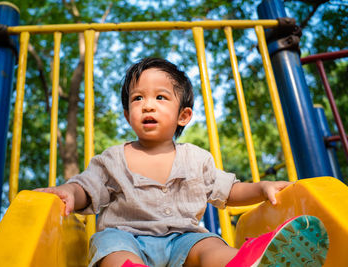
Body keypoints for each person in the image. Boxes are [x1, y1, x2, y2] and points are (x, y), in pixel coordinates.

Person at [35, 58, 329, 267]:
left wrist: (261, 187)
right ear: (128, 115)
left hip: (183, 241)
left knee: (209, 245)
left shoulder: (196, 158)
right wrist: (68, 192)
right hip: (127, 239)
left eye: (160, 97)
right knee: (111, 250)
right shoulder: (112, 158)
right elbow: (86, 187)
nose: (147, 104)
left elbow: (229, 191)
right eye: (137, 99)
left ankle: (245, 262)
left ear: (183, 116)